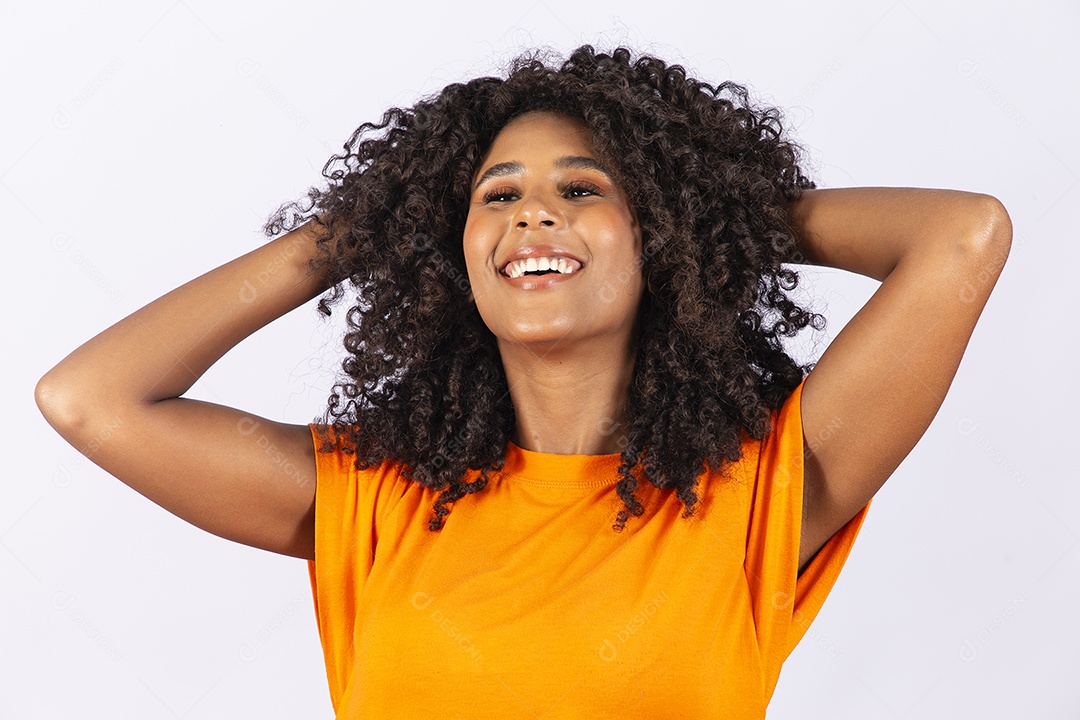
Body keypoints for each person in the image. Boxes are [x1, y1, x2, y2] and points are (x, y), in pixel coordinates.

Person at [35, 45, 1012, 718]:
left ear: (658, 234)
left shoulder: (761, 491)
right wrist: (361, 228)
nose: (533, 216)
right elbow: (89, 397)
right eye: (496, 197)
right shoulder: (374, 500)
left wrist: (713, 208)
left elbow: (962, 235)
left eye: (582, 190)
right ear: (452, 247)